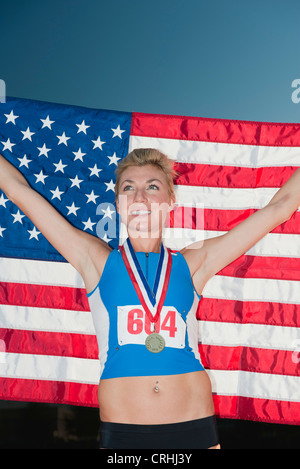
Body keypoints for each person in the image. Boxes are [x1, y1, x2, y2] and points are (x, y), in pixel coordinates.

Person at [0, 148, 299, 449]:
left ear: (171, 201)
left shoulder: (193, 263)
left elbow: (280, 208)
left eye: (152, 187)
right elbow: (18, 190)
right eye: (128, 188)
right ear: (117, 204)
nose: (139, 198)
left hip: (195, 430)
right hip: (124, 436)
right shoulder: (96, 261)